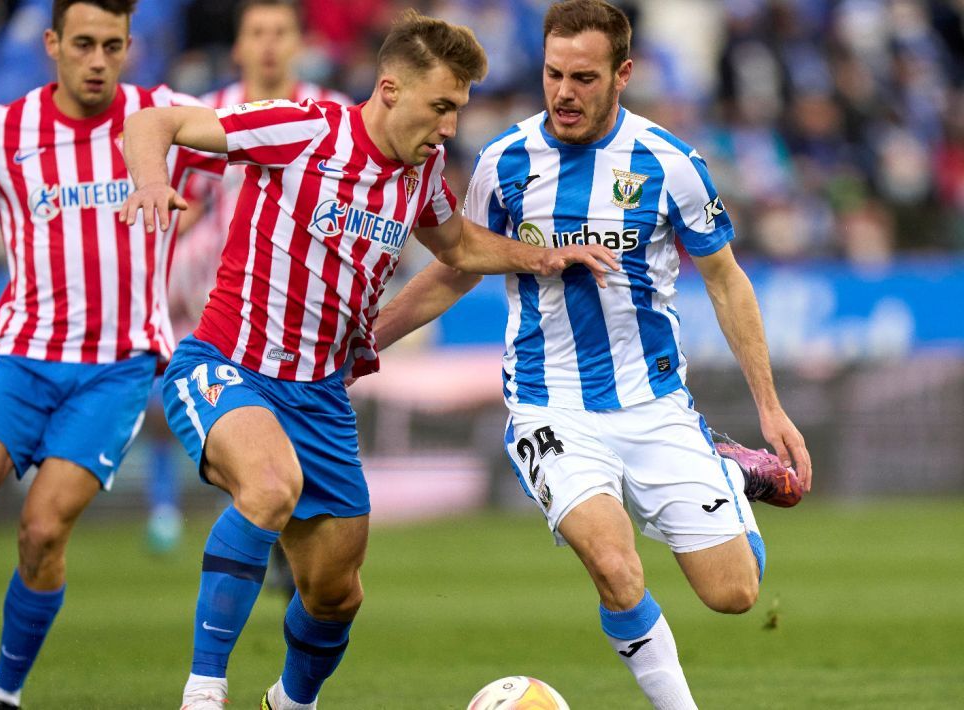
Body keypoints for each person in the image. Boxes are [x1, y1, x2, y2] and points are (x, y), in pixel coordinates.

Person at [119, 9, 618, 709]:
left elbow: (460, 248)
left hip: (321, 397)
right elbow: (152, 124)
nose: (449, 126)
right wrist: (147, 181)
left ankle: (290, 703)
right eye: (440, 106)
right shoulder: (304, 129)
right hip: (229, 363)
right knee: (267, 487)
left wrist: (543, 256)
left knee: (336, 595)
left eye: (458, 109)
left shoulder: (422, 171)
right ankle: (203, 693)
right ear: (389, 89)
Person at [372, 2, 812, 708]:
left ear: (622, 75)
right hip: (551, 407)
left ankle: (726, 472)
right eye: (553, 74)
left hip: (654, 404)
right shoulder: (504, 162)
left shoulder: (671, 165)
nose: (564, 92)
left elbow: (726, 279)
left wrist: (769, 406)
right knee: (615, 565)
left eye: (583, 76)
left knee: (734, 593)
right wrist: (367, 341)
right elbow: (456, 266)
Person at [0, 2, 224, 708]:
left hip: (116, 369)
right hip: (22, 358)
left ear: (132, 47)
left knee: (41, 530)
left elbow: (254, 142)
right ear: (52, 44)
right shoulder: (4, 131)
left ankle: (2, 693)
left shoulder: (164, 115)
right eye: (84, 45)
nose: (98, 60)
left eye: (113, 46)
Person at [144, 0, 353, 572]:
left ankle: (278, 532)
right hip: (215, 295)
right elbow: (184, 196)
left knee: (291, 446)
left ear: (297, 42)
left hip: (300, 307)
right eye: (256, 32)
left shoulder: (333, 114)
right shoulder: (209, 112)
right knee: (196, 413)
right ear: (237, 46)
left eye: (279, 32)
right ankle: (169, 506)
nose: (267, 43)